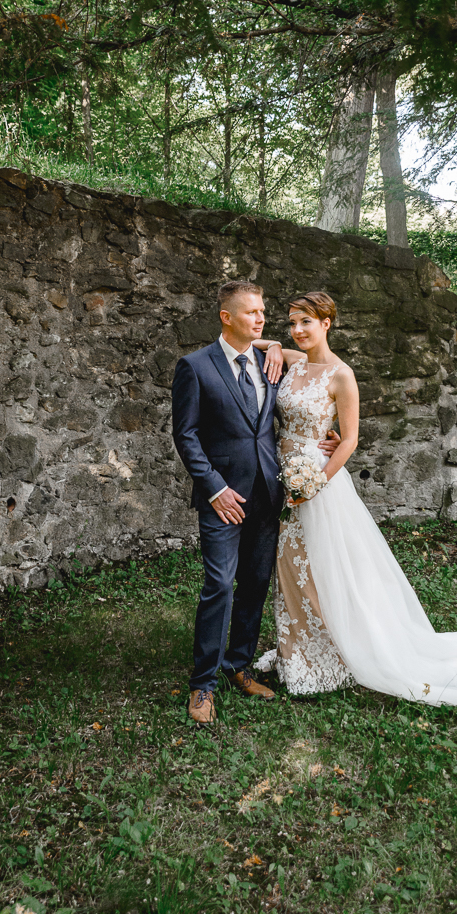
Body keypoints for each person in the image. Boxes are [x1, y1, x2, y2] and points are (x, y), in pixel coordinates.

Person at [254, 291, 457, 709]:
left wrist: (314, 482)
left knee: (326, 569)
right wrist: (275, 345)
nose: (296, 330)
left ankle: (336, 654)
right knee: (290, 567)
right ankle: (296, 651)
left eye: (305, 323)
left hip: (315, 480)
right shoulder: (292, 361)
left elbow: (349, 440)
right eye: (292, 323)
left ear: (326, 323)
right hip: (280, 472)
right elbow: (255, 345)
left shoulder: (340, 375)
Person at [171, 281, 287, 725]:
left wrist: (324, 441)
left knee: (256, 583)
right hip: (223, 498)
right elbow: (186, 434)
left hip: (267, 493)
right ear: (227, 317)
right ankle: (203, 684)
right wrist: (215, 488)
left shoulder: (268, 361)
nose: (260, 319)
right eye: (252, 313)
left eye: (263, 312)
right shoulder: (195, 366)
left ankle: (238, 665)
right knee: (220, 584)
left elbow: (291, 409)